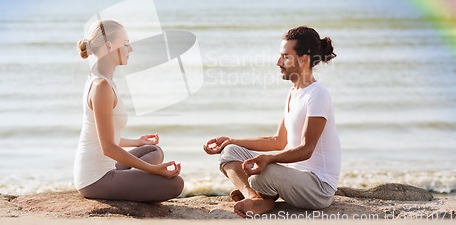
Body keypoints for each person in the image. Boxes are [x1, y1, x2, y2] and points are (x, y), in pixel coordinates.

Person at [204, 26, 340, 217]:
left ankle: (262, 195)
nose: (278, 62)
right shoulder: (293, 93)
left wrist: (269, 158)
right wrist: (232, 140)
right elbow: (277, 141)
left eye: (285, 56)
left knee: (263, 172)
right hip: (293, 178)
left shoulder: (318, 94)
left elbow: (307, 148)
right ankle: (254, 197)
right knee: (230, 153)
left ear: (303, 59)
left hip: (318, 188)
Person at [74, 19, 184, 201]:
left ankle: (131, 181)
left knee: (153, 150)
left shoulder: (101, 80)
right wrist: (153, 169)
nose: (130, 49)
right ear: (109, 46)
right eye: (125, 44)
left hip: (106, 166)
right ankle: (130, 183)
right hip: (95, 179)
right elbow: (108, 147)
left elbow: (103, 136)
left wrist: (137, 142)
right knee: (175, 184)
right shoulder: (101, 87)